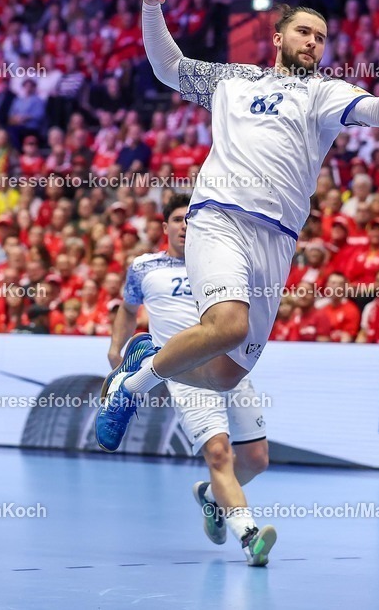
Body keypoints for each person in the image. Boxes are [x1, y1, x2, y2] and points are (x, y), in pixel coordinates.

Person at [97, 4, 379, 452]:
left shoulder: (323, 93)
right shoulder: (231, 81)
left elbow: (372, 105)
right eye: (303, 32)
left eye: (320, 36)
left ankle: (147, 357)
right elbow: (168, 65)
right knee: (229, 326)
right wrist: (152, 3)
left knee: (225, 374)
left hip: (277, 238)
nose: (312, 42)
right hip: (220, 217)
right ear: (278, 38)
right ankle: (130, 390)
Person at [107, 195, 272, 565]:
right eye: (179, 220)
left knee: (257, 459)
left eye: (192, 220)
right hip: (185, 372)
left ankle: (213, 499)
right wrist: (117, 349)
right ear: (164, 227)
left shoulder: (220, 265)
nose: (185, 226)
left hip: (230, 365)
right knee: (218, 452)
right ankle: (249, 537)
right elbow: (128, 309)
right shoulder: (143, 267)